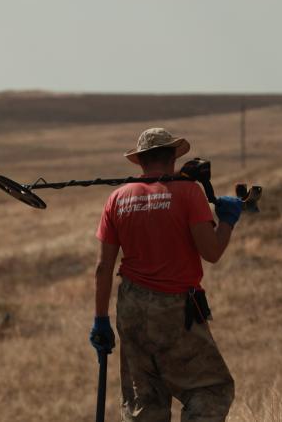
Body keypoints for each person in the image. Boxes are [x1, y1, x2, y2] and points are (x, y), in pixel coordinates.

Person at [90, 127, 243, 422]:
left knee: (145, 402)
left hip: (131, 307)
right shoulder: (188, 193)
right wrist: (227, 221)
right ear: (173, 156)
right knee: (211, 390)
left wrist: (100, 320)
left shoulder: (117, 198)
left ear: (140, 161)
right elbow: (211, 252)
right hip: (174, 308)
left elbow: (103, 268)